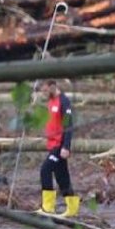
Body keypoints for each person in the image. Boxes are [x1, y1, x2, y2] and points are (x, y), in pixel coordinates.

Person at [37, 80, 80, 217]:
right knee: (62, 177)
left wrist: (66, 146)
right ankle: (72, 208)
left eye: (45, 90)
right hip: (52, 145)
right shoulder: (51, 101)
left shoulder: (64, 101)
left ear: (52, 86)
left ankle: (48, 207)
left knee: (45, 170)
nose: (43, 94)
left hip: (59, 145)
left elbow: (68, 125)